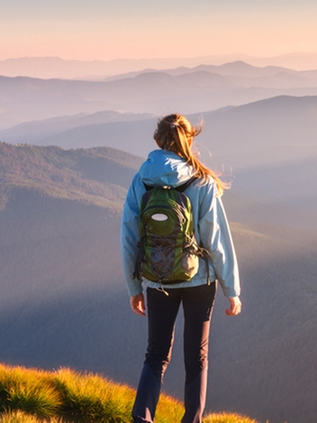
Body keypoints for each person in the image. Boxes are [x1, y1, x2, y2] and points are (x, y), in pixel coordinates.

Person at [121, 113, 241, 423]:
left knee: (156, 354)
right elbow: (217, 240)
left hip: (158, 279)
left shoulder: (141, 179)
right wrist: (232, 290)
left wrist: (134, 287)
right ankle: (192, 421)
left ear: (157, 141)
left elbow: (129, 236)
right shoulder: (201, 182)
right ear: (190, 140)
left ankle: (142, 417)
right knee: (196, 358)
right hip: (199, 281)